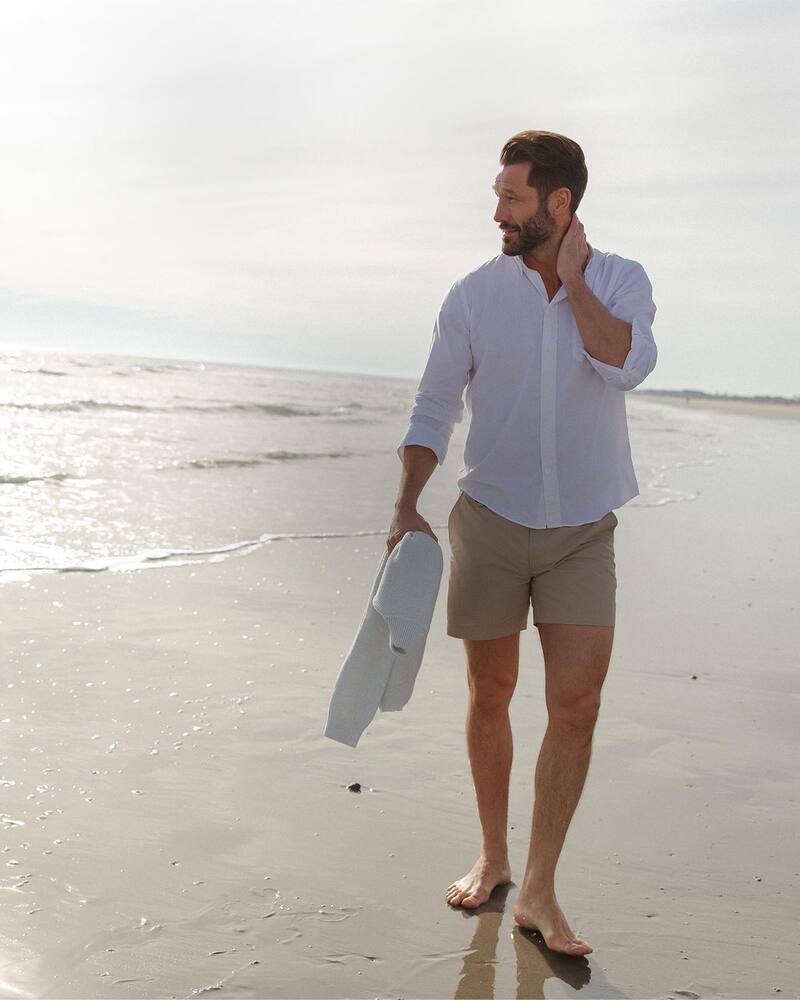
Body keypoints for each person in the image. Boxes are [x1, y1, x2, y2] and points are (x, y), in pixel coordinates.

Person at [387, 130, 657, 957]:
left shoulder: (620, 282)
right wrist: (406, 504)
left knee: (575, 706)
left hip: (583, 527)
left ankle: (539, 887)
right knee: (490, 693)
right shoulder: (471, 296)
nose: (497, 210)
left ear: (559, 203)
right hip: (492, 522)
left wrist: (572, 283)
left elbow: (627, 362)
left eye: (511, 197)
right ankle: (495, 855)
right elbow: (434, 406)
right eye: (499, 194)